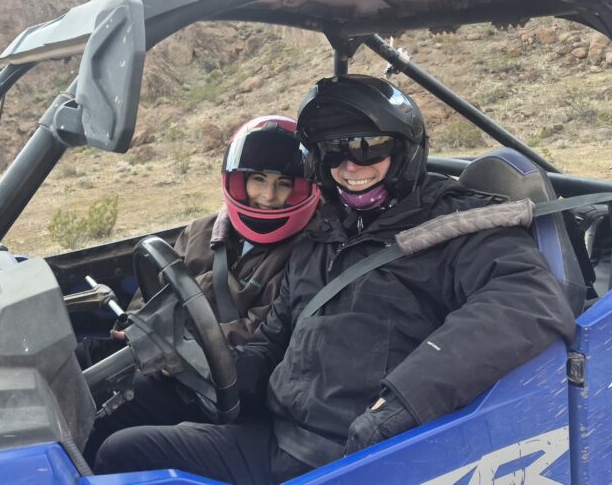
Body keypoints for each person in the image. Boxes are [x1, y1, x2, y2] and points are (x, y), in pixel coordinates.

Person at [93, 75, 577, 484]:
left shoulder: (457, 228)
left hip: (363, 454)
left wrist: (403, 401)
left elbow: (525, 301)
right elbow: (270, 340)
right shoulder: (325, 234)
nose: (350, 168)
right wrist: (227, 378)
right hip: (279, 438)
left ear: (405, 152)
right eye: (333, 153)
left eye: (368, 151)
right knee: (123, 452)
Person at [81, 115, 320, 460]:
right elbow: (153, 292)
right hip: (162, 352)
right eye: (257, 180)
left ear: (300, 188)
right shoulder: (201, 231)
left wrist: (177, 348)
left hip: (216, 379)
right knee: (84, 356)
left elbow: (260, 335)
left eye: (283, 183)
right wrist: (136, 325)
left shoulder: (305, 252)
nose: (268, 195)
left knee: (115, 410)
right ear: (239, 181)